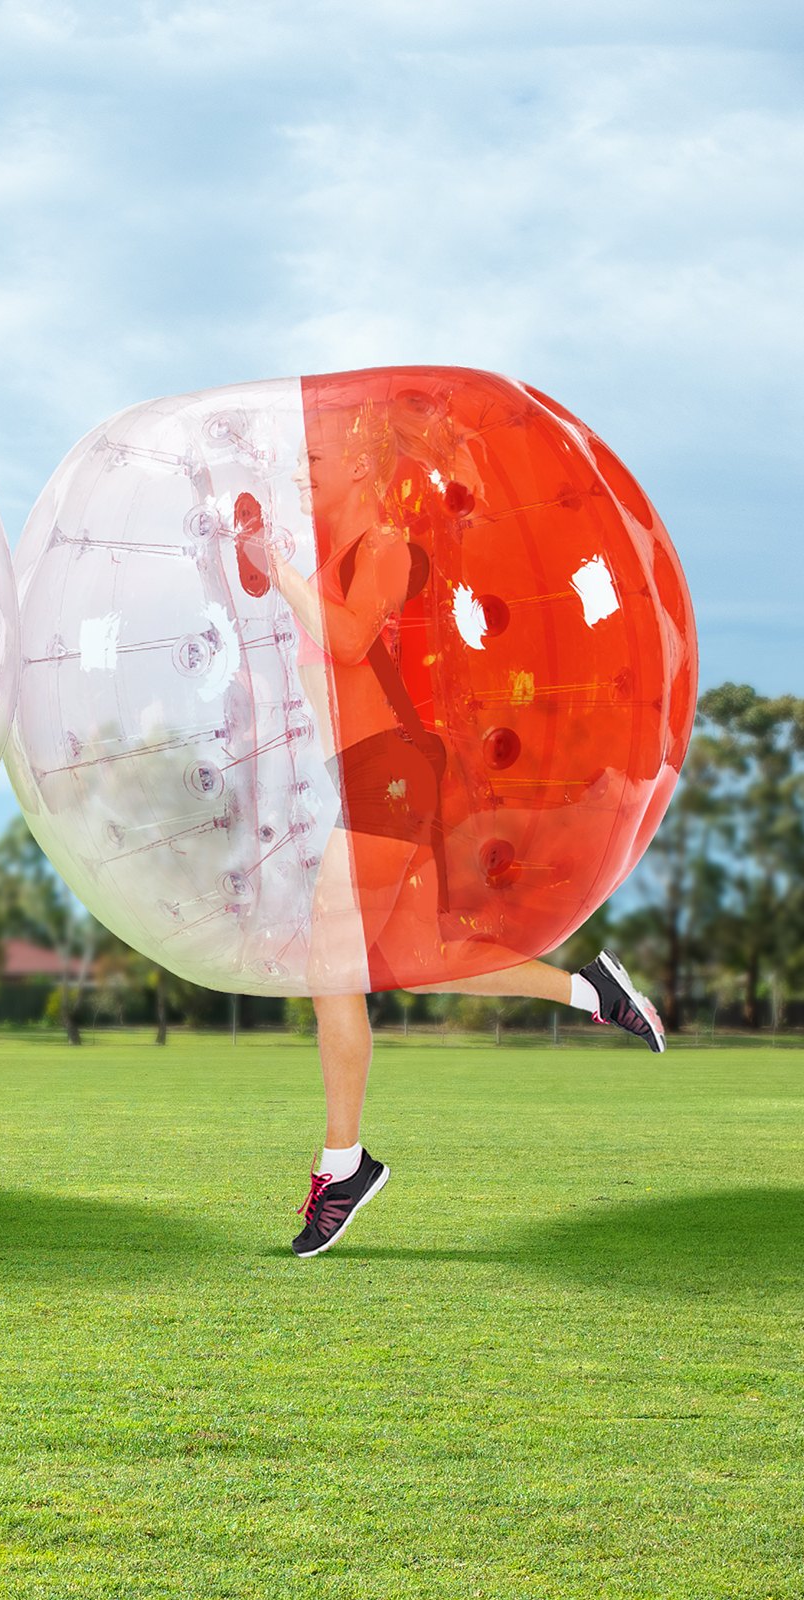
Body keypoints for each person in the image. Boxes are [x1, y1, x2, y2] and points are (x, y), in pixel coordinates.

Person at [256, 409, 664, 1259]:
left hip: (390, 770)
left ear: (361, 471)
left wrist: (275, 567)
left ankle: (343, 1165)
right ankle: (594, 993)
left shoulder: (387, 550)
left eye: (315, 463)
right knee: (421, 960)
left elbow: (343, 640)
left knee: (331, 961)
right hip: (368, 771)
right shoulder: (337, 560)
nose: (303, 476)